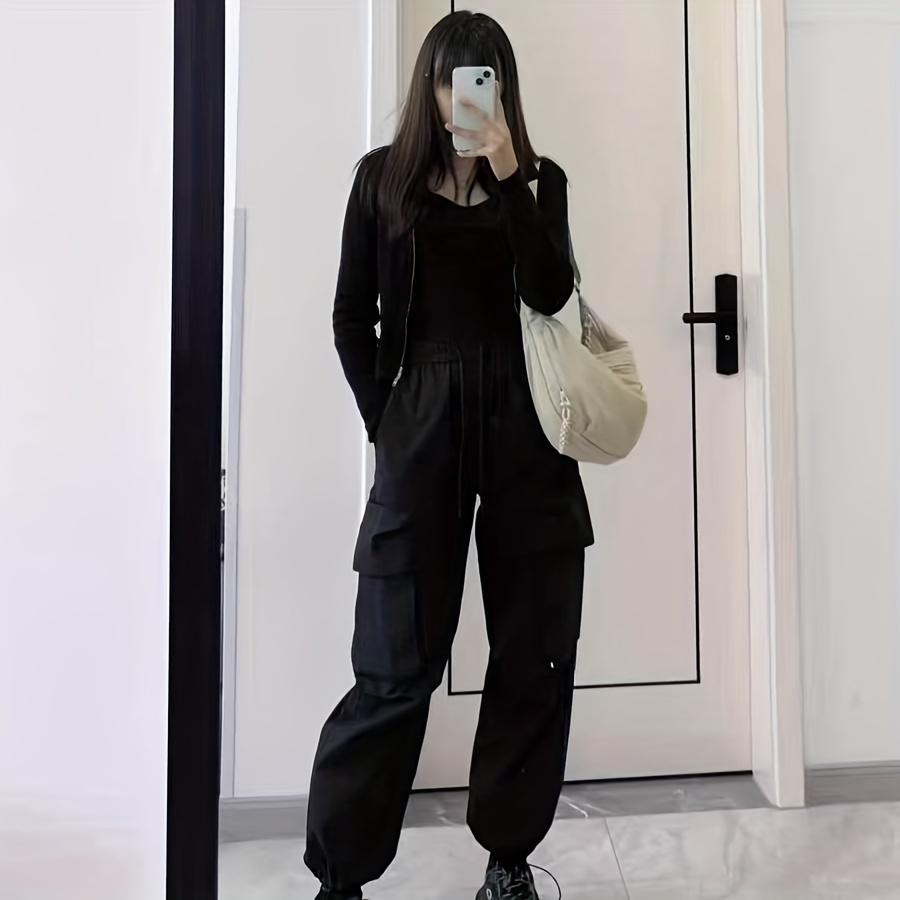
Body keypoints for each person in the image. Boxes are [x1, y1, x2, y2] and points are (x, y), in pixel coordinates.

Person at [306, 11, 593, 900]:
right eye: (450, 78)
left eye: (482, 78)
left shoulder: (537, 181)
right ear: (428, 86)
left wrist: (509, 178)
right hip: (422, 423)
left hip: (524, 428)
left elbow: (551, 292)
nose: (463, 96)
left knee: (533, 654)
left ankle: (508, 862)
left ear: (502, 89)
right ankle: (342, 877)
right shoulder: (381, 182)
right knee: (393, 665)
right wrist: (385, 425)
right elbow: (351, 316)